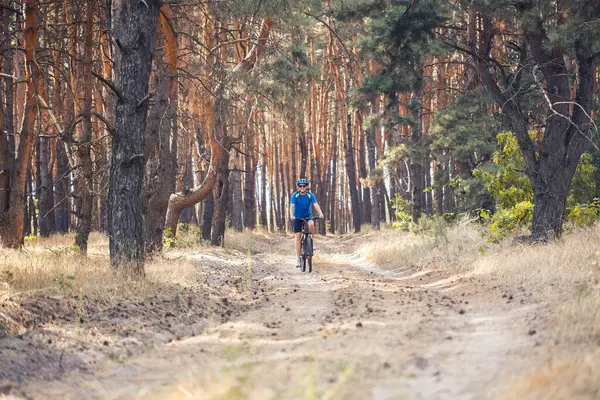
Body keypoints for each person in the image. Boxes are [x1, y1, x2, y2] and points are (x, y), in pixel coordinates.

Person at [290, 178, 324, 268]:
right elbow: (292, 206)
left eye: (304, 186)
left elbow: (315, 204)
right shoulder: (295, 195)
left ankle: (311, 242)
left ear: (306, 187)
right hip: (297, 217)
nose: (302, 187)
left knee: (311, 224)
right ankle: (297, 259)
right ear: (298, 187)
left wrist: (320, 213)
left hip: (307, 215)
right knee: (297, 236)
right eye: (300, 186)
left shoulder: (310, 195)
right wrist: (291, 215)